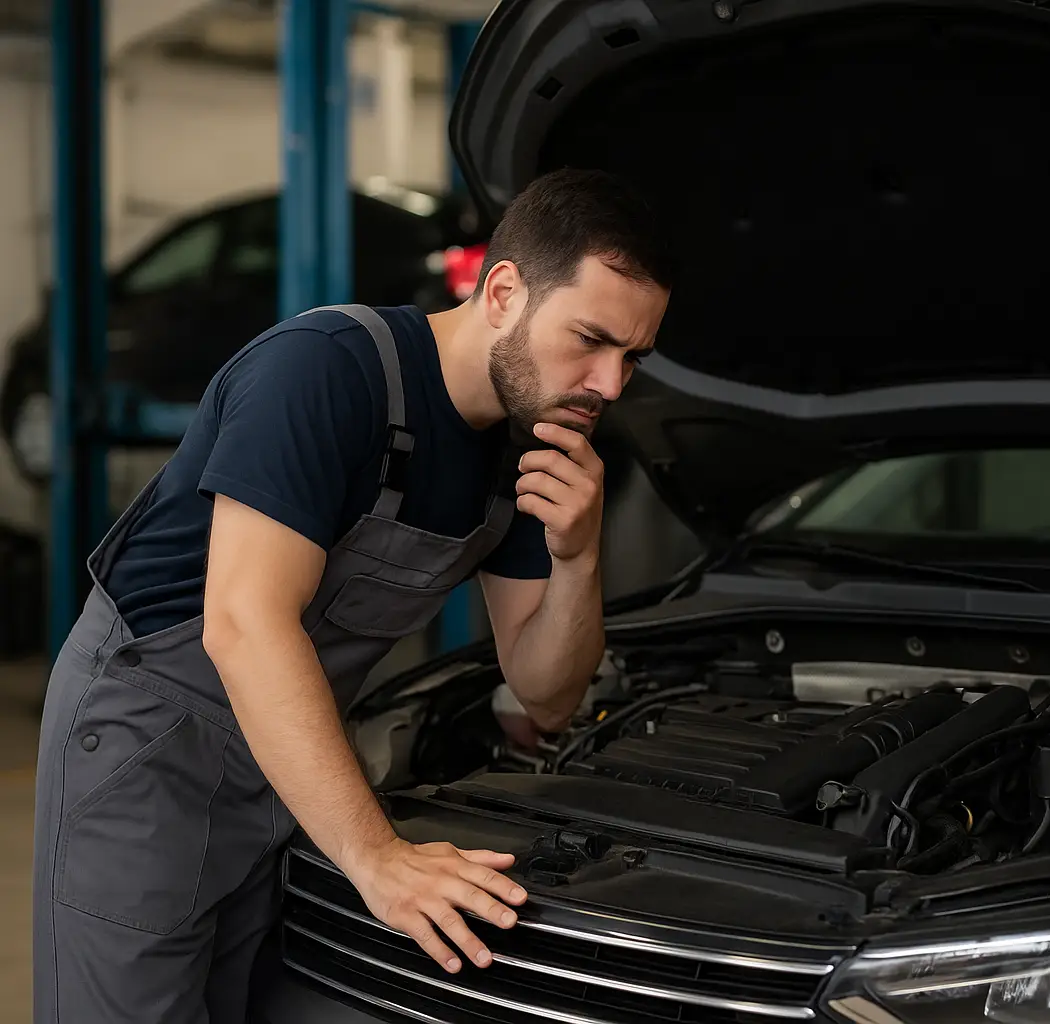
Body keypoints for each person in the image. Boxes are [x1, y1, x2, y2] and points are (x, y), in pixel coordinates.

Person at [31, 167, 674, 1024]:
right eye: (590, 339)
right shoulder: (328, 371)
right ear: (504, 290)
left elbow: (546, 694)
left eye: (632, 357)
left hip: (290, 758)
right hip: (153, 748)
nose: (610, 384)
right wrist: (376, 856)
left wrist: (577, 556)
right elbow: (244, 623)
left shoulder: (530, 442)